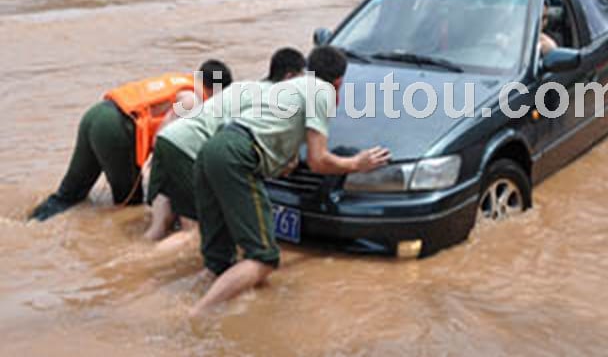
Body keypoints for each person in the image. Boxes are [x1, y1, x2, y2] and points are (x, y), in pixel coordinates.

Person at [190, 47, 390, 316]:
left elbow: (274, 128)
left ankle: (192, 301)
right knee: (264, 258)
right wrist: (357, 164)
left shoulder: (290, 86)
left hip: (211, 149)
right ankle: (195, 314)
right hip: (236, 157)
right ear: (339, 81)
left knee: (218, 260)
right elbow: (318, 161)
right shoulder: (322, 92)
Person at [29, 60, 233, 222]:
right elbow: (165, 135)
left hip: (96, 114)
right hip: (116, 130)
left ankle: (31, 223)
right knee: (130, 206)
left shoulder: (178, 81)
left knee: (68, 195)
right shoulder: (193, 99)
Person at [144, 49, 307, 242]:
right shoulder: (274, 100)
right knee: (193, 232)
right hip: (188, 150)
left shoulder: (245, 86)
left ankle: (136, 256)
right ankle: (133, 265)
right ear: (289, 77)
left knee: (161, 225)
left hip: (168, 141)